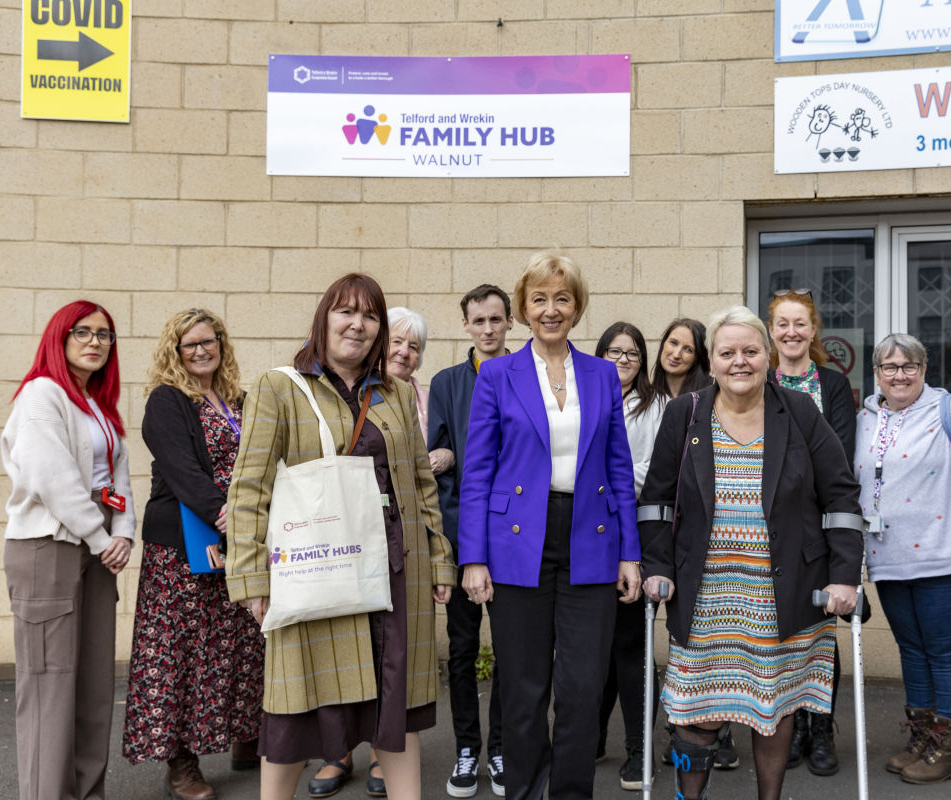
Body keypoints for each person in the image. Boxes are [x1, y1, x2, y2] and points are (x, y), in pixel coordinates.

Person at [225, 273, 455, 800]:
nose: (358, 324)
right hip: (314, 568)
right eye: (346, 311)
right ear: (324, 317)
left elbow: (421, 483)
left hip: (396, 571)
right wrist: (251, 578)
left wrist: (439, 560)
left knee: (395, 708)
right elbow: (248, 490)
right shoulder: (278, 387)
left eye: (371, 315)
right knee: (295, 708)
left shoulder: (395, 393)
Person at [640, 306, 863, 800]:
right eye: (727, 353)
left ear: (767, 356)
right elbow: (655, 500)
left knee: (773, 709)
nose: (739, 361)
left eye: (750, 351)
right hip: (705, 595)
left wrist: (845, 577)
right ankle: (686, 797)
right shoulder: (686, 413)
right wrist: (656, 566)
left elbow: (842, 496)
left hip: (781, 592)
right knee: (696, 714)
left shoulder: (800, 412)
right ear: (711, 362)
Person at [458, 250, 642, 800]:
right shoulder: (496, 374)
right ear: (524, 308)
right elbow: (477, 472)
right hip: (517, 542)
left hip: (591, 537)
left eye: (561, 298)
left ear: (577, 307)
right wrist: (473, 557)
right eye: (539, 299)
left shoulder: (603, 374)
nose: (550, 309)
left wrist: (629, 553)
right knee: (523, 688)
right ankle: (524, 792)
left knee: (583, 690)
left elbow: (618, 467)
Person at [120, 309, 264, 800]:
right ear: (175, 352)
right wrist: (226, 515)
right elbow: (181, 470)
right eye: (190, 345)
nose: (202, 350)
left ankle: (246, 738)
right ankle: (181, 763)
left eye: (210, 341)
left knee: (241, 645)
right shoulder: (167, 400)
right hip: (183, 548)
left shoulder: (238, 400)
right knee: (182, 656)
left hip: (236, 542)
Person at [854, 333, 951, 785]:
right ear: (876, 373)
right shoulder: (865, 418)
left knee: (946, 651)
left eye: (909, 366)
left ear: (924, 369)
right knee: (913, 650)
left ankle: (948, 748)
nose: (899, 375)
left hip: (948, 555)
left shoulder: (950, 411)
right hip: (889, 557)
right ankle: (921, 737)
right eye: (889, 366)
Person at [1, 301, 135, 800]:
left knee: (93, 685)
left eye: (105, 335)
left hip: (98, 546)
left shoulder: (97, 405)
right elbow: (52, 478)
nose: (96, 342)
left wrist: (123, 530)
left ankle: (86, 793)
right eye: (84, 332)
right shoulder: (42, 396)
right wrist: (103, 539)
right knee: (49, 688)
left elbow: (117, 478)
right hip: (48, 547)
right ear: (60, 337)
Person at [427, 284, 515, 798]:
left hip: (513, 538)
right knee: (462, 650)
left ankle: (500, 748)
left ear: (509, 323)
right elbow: (439, 461)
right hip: (463, 535)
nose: (487, 329)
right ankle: (467, 748)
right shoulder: (447, 382)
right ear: (466, 325)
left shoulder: (524, 375)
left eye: (496, 320)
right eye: (478, 320)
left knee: (509, 649)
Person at [767, 288, 858, 776]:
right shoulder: (758, 380)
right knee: (781, 626)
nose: (791, 332)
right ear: (771, 330)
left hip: (820, 523)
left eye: (800, 323)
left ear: (814, 329)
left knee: (820, 631)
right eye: (782, 323)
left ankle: (820, 728)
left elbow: (838, 451)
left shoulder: (833, 384)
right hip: (769, 523)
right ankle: (792, 727)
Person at [593, 321, 666, 791]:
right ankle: (591, 737)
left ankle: (641, 751)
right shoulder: (584, 398)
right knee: (595, 645)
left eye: (633, 354)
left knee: (632, 646)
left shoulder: (658, 405)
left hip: (636, 534)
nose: (623, 360)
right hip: (588, 536)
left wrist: (597, 483)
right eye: (615, 352)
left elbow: (652, 469)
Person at [387, 306, 430, 443]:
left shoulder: (432, 402)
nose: (404, 352)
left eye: (413, 347)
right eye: (397, 341)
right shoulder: (357, 392)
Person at [650, 318, 711, 399]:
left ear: (697, 358)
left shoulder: (710, 395)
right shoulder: (646, 397)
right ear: (664, 343)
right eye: (673, 343)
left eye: (688, 350)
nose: (676, 355)